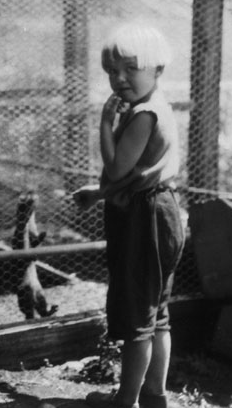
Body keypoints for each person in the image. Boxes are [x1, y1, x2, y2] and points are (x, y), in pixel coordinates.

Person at [73, 22, 185, 408]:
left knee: (138, 316)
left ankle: (125, 401)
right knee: (157, 314)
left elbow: (119, 169)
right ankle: (153, 395)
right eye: (111, 71)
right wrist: (99, 193)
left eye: (130, 69)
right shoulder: (157, 105)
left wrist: (104, 124)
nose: (119, 79)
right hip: (160, 211)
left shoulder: (141, 115)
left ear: (157, 70)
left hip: (145, 220)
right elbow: (141, 172)